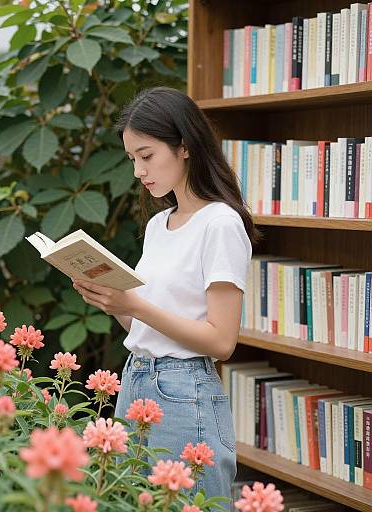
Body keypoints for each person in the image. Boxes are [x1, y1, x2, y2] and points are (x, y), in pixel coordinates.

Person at [72, 86, 259, 508]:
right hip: (137, 378)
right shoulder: (160, 225)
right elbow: (147, 325)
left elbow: (220, 341)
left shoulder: (221, 224)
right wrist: (111, 302)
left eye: (147, 155)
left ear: (185, 147)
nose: (139, 170)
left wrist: (136, 305)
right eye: (132, 159)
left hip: (184, 390)